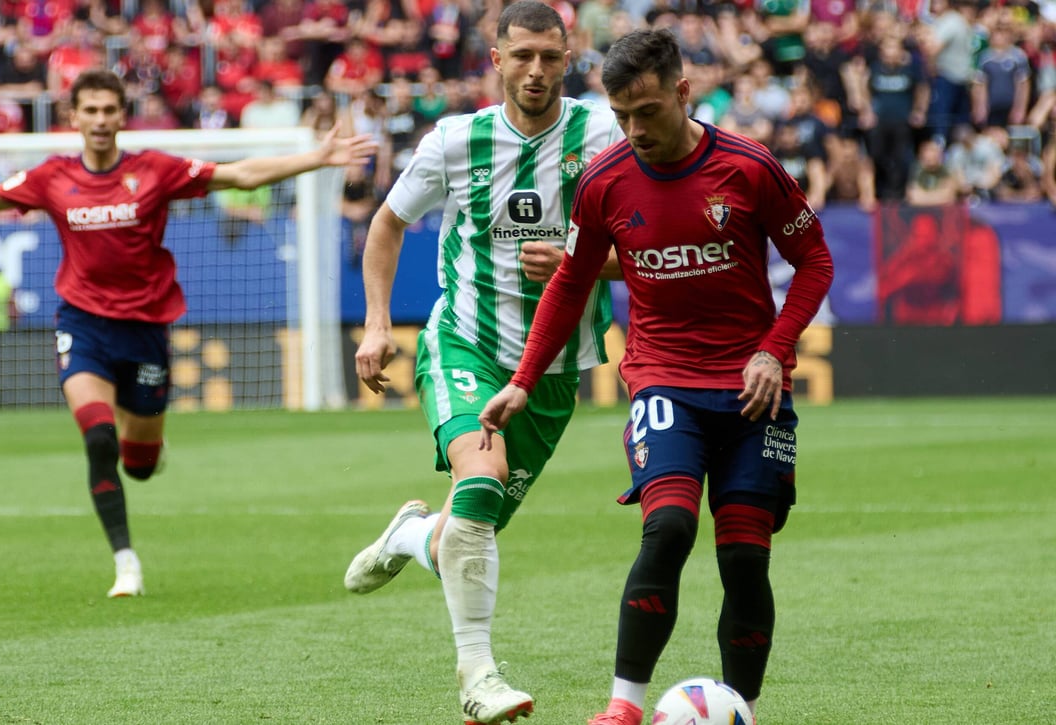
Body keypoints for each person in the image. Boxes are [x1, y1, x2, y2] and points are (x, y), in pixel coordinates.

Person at [0, 69, 376, 599]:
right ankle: (126, 564)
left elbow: (238, 176)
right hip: (83, 325)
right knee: (98, 438)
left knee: (140, 466)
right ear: (74, 117)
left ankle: (147, 448)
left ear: (122, 115)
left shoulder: (155, 171)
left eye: (108, 110)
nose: (99, 120)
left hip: (145, 331)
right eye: (89, 110)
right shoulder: (52, 177)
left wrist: (316, 157)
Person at [477, 28, 834, 725]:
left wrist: (774, 349)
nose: (634, 129)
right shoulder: (605, 181)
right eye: (621, 115)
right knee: (667, 526)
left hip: (753, 391)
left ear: (682, 92)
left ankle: (743, 710)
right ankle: (624, 706)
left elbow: (815, 261)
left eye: (647, 111)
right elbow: (572, 282)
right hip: (664, 379)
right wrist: (524, 377)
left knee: (743, 555)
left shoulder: (749, 166)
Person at [342, 3, 623, 723]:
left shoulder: (602, 135)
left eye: (550, 58)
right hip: (465, 340)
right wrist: (377, 324)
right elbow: (387, 225)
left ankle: (409, 534)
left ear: (571, 59)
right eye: (522, 55)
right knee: (482, 475)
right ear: (495, 59)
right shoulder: (455, 141)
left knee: (471, 525)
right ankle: (478, 674)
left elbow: (641, 250)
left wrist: (588, 266)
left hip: (555, 367)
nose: (536, 71)